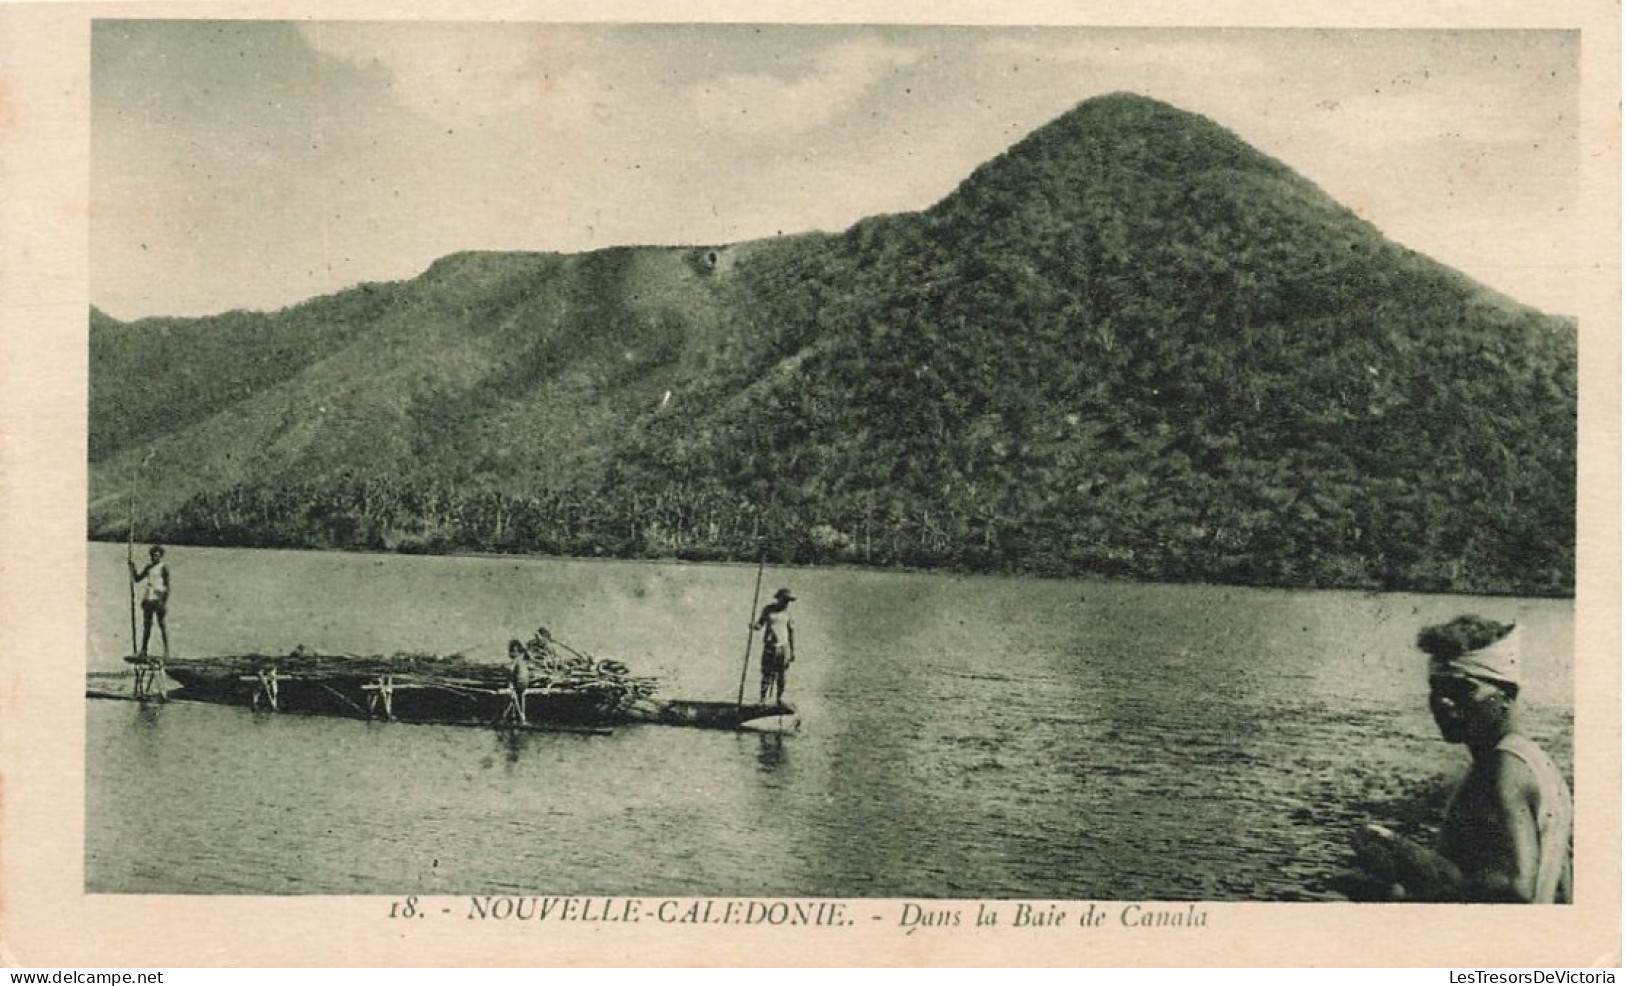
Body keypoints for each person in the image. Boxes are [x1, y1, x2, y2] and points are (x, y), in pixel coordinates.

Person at [1353, 615, 1572, 902]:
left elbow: (1514, 888)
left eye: (1461, 689)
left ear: (1507, 694)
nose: (1443, 702)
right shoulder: (1532, 760)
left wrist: (1401, 896)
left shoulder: (1504, 769)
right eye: (1437, 688)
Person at [753, 587, 796, 704]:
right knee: (767, 673)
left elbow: (791, 632)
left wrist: (792, 651)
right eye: (785, 600)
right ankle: (762, 699)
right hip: (770, 646)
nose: (786, 603)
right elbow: (759, 624)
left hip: (783, 647)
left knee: (782, 675)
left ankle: (779, 698)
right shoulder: (768, 610)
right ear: (779, 599)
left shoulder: (788, 614)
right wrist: (754, 626)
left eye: (788, 601)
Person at [128, 544, 171, 660]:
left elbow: (167, 586)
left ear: (160, 556)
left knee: (162, 624)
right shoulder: (148, 567)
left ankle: (166, 651)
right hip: (148, 598)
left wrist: (164, 602)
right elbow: (137, 579)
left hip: (159, 598)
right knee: (147, 625)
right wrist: (133, 568)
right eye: (153, 555)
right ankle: (143, 650)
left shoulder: (163, 567)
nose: (154, 557)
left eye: (157, 555)